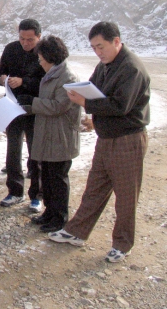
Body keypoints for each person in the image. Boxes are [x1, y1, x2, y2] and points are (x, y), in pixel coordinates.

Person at [49, 22, 150, 263]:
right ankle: (76, 231)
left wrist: (85, 103)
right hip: (106, 138)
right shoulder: (105, 65)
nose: (98, 52)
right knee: (95, 188)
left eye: (101, 46)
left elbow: (120, 106)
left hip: (127, 139)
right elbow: (93, 87)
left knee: (126, 196)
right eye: (94, 48)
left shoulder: (131, 68)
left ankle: (122, 244)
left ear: (117, 41)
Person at [17, 36, 81, 233]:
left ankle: (59, 218)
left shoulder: (67, 78)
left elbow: (58, 106)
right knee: (48, 177)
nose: (40, 62)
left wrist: (32, 103)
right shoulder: (51, 74)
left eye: (41, 58)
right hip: (48, 134)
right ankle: (49, 212)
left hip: (61, 136)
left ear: (50, 57)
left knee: (58, 179)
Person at [0, 19, 45, 211]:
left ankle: (36, 195)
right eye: (22, 38)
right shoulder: (10, 49)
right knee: (13, 151)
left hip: (35, 108)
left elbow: (46, 81)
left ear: (39, 37)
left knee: (36, 153)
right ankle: (14, 191)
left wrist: (23, 81)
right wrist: (2, 79)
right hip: (12, 106)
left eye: (30, 40)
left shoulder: (45, 52)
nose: (25, 43)